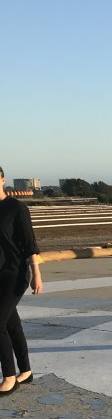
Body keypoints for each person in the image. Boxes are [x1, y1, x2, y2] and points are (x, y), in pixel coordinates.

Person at [0, 166, 43, 395]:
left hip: (15, 273)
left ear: (3, 179)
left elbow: (29, 243)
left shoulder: (16, 208)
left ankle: (9, 376)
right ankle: (25, 371)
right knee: (11, 323)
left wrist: (36, 273)